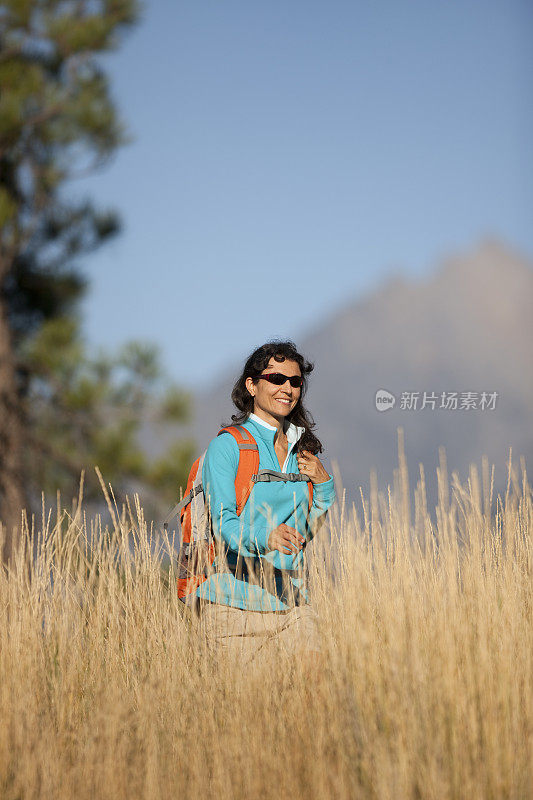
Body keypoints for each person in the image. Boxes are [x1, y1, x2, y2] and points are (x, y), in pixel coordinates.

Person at [195, 340, 336, 668]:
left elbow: (304, 533)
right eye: (276, 379)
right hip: (232, 609)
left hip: (291, 603)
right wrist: (267, 535)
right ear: (252, 384)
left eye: (295, 381)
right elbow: (223, 523)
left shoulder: (301, 450)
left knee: (317, 697)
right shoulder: (228, 446)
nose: (287, 387)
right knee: (254, 716)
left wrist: (324, 485)